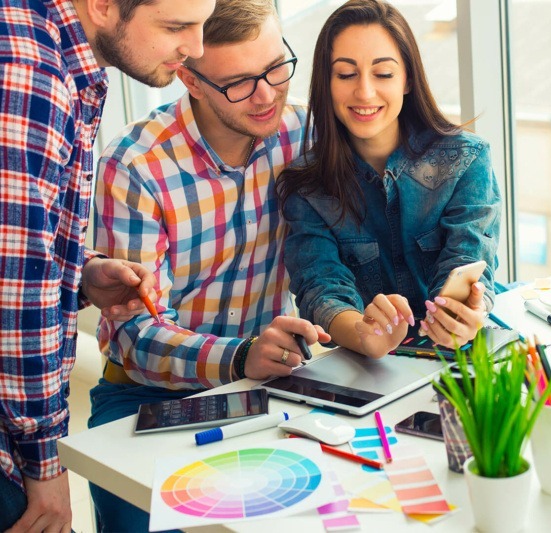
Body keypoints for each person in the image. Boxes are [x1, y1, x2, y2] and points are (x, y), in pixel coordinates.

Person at [89, 0, 330, 530]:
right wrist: (241, 357)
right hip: (145, 394)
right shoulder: (135, 167)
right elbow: (134, 333)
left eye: (274, 68)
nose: (267, 96)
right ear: (190, 79)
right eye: (239, 83)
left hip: (268, 385)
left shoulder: (300, 133)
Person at [0, 0, 216, 530]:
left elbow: (26, 242)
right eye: (176, 27)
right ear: (101, 7)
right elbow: (17, 295)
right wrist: (47, 466)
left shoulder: (60, 53)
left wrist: (80, 272)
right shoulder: (34, 73)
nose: (197, 48)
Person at [278, 0, 501, 360]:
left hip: (460, 356)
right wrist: (364, 334)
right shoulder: (307, 187)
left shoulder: (467, 159)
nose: (365, 92)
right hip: (369, 368)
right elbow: (321, 287)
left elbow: (469, 258)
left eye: (383, 74)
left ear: (408, 79)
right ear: (326, 82)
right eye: (346, 74)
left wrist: (467, 313)